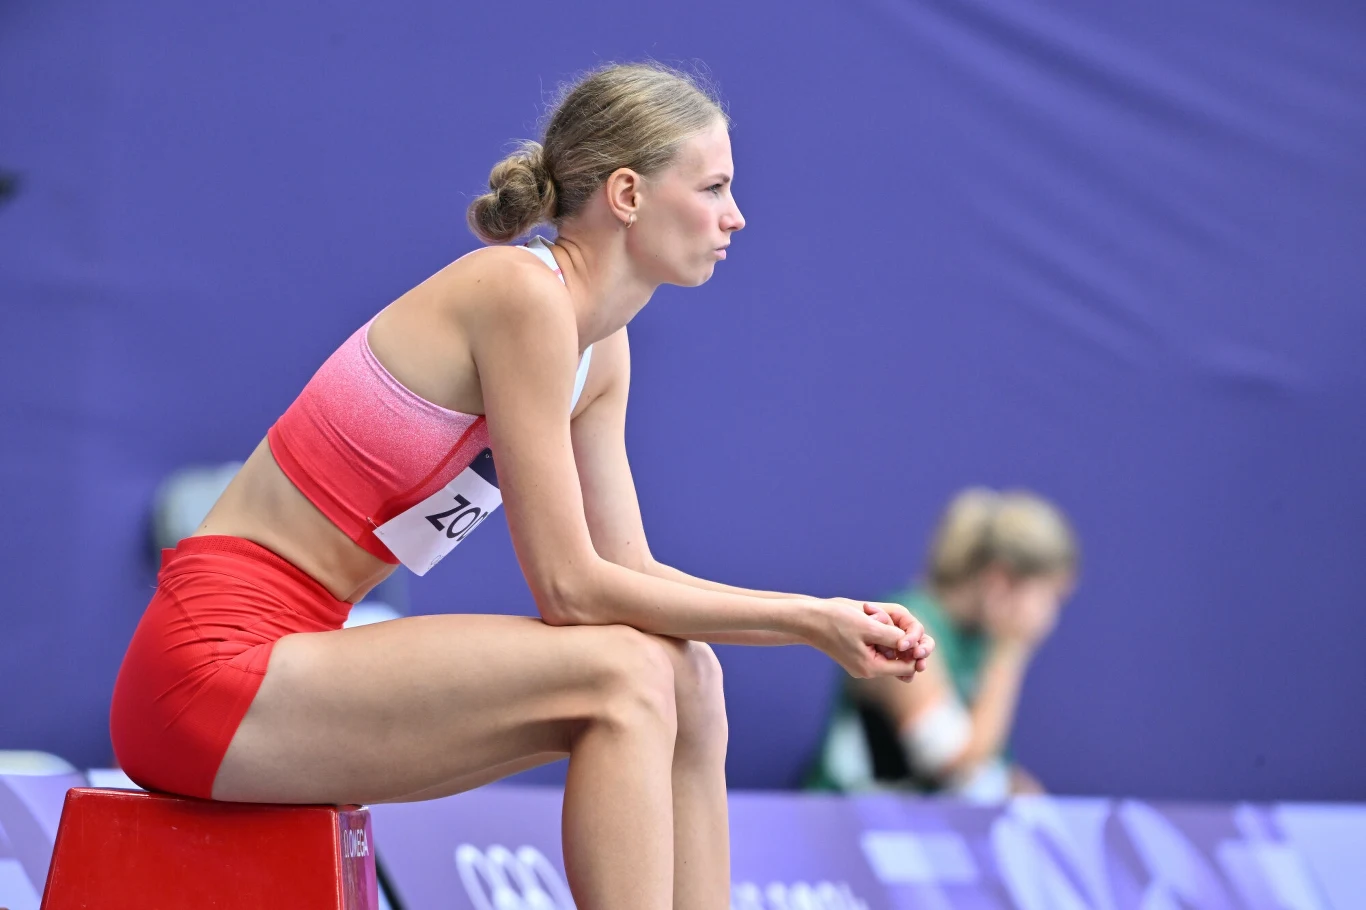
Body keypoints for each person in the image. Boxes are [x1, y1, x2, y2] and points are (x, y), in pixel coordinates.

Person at [109, 62, 935, 908]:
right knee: (625, 673)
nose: (736, 215)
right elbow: (571, 591)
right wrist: (807, 624)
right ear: (627, 194)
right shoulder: (521, 295)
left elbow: (630, 572)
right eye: (714, 187)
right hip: (205, 673)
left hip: (297, 657)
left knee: (690, 675)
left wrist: (826, 613)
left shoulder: (600, 351)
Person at [808, 488, 1078, 801]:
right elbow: (951, 762)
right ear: (1000, 581)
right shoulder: (905, 630)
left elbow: (986, 763)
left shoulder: (981, 640)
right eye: (1050, 597)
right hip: (845, 818)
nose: (1051, 616)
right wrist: (1010, 651)